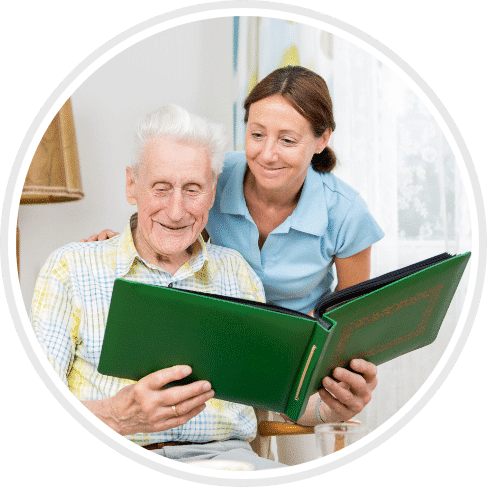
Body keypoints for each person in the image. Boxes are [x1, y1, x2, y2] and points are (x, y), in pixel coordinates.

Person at [85, 66, 382, 428]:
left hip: (297, 357)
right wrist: (115, 242)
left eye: (287, 140)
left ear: (321, 140)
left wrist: (326, 386)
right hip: (220, 342)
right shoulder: (214, 175)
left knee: (297, 438)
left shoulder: (345, 212)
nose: (268, 154)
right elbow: (166, 211)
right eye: (257, 134)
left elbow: (350, 316)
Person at [31, 105, 285, 469]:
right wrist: (116, 416)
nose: (177, 210)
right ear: (132, 185)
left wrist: (329, 406)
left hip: (228, 462)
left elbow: (271, 395)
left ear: (212, 192)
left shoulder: (238, 275)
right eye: (161, 188)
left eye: (193, 189)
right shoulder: (70, 267)